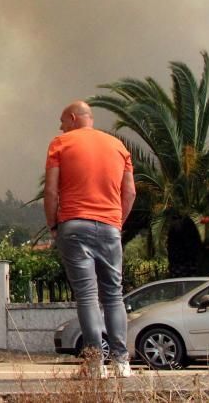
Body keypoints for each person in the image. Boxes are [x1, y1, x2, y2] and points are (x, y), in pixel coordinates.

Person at [43, 101, 136, 378]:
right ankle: (121, 361)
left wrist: (53, 225)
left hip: (73, 225)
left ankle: (95, 363)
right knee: (114, 294)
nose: (60, 127)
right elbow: (129, 193)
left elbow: (50, 191)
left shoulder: (60, 143)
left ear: (72, 118)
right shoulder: (119, 147)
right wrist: (116, 222)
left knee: (87, 295)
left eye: (62, 121)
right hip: (110, 227)